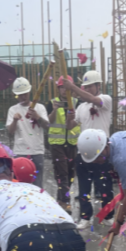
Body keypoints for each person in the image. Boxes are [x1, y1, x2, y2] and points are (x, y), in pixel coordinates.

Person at [61, 70, 113, 229]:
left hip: (102, 151)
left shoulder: (105, 100)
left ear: (98, 86)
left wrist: (73, 88)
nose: (88, 89)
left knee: (105, 186)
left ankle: (108, 215)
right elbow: (70, 126)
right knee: (84, 187)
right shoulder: (81, 107)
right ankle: (85, 217)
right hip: (83, 151)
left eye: (91, 86)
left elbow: (92, 99)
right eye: (86, 86)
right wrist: (69, 119)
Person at [6, 77, 49, 188]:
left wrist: (37, 117)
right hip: (20, 152)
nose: (23, 97)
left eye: (25, 94)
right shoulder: (12, 109)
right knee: (20, 186)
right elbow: (10, 131)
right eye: (20, 95)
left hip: (37, 151)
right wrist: (15, 121)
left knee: (37, 185)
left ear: (29, 92)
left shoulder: (39, 107)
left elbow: (47, 126)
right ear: (16, 95)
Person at [46, 76, 81, 210]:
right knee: (62, 173)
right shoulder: (52, 103)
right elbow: (48, 122)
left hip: (72, 143)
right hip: (57, 143)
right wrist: (54, 109)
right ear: (58, 88)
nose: (64, 90)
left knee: (70, 174)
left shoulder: (77, 103)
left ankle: (60, 199)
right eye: (61, 87)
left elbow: (80, 120)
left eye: (66, 87)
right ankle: (66, 202)